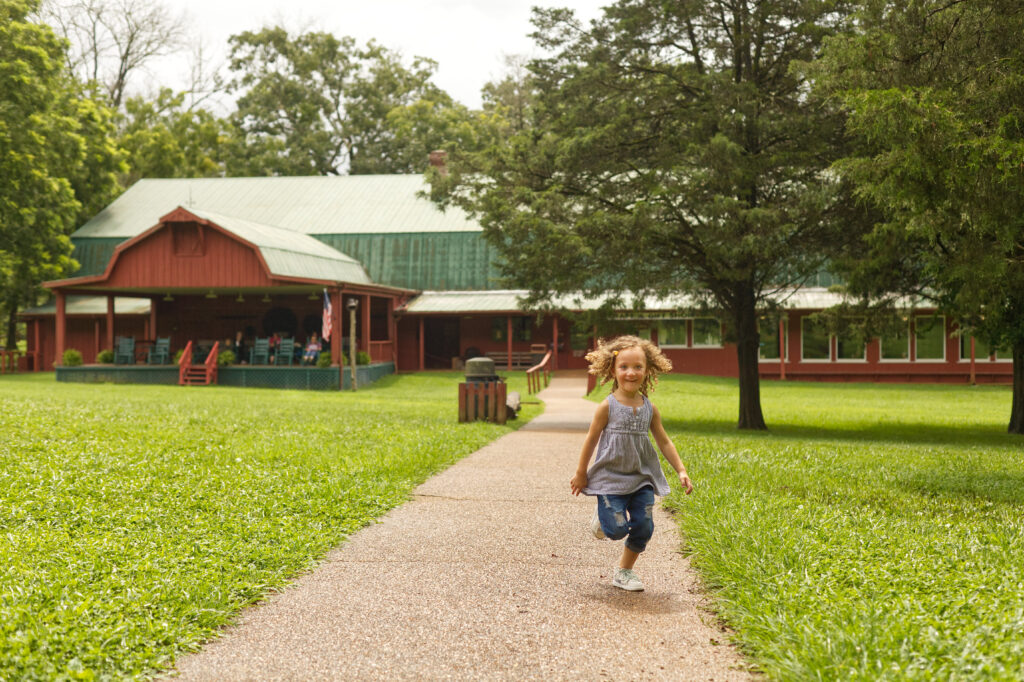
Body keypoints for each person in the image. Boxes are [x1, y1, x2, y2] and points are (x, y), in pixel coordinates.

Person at [570, 335, 694, 592]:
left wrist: (681, 470)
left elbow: (664, 441)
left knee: (644, 526)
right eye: (624, 367)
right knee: (616, 529)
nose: (631, 372)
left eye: (638, 366)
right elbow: (591, 440)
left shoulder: (650, 409)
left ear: (647, 370)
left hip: (641, 479)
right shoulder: (607, 407)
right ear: (612, 371)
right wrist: (581, 473)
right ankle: (603, 516)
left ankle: (624, 571)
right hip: (610, 480)